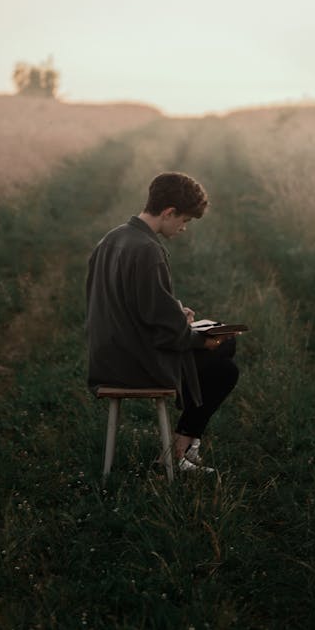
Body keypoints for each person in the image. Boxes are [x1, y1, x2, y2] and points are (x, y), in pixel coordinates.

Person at [86, 171, 239, 472]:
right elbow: (168, 333)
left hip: (107, 357)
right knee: (225, 361)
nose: (183, 228)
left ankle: (180, 449)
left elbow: (124, 305)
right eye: (184, 221)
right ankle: (179, 450)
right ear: (169, 212)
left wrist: (177, 314)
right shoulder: (149, 251)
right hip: (136, 364)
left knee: (221, 351)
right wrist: (201, 338)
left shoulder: (110, 239)